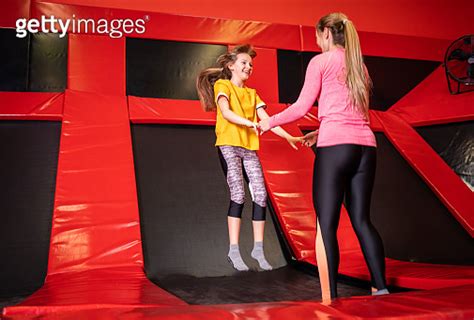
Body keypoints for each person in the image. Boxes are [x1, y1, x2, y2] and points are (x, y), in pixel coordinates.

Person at [259, 13, 389, 300]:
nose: (317, 42)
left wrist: (268, 122)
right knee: (362, 220)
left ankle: (330, 299)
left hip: (336, 149)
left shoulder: (321, 62)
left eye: (318, 37)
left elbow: (301, 106)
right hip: (366, 148)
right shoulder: (360, 66)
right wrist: (320, 132)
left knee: (326, 224)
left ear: (327, 33)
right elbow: (355, 115)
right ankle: (381, 288)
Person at [196, 44, 302, 272]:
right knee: (238, 194)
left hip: (249, 148)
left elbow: (269, 121)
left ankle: (258, 249)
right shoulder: (223, 85)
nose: (249, 66)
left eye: (251, 64)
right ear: (231, 65)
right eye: (244, 62)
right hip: (228, 145)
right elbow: (225, 113)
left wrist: (290, 138)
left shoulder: (252, 95)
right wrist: (250, 123)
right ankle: (234, 250)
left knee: (260, 196)